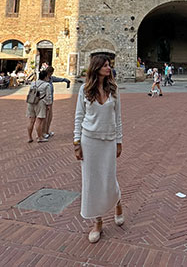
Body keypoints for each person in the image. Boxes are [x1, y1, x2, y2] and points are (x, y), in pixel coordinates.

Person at [73, 54, 123, 243]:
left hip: (109, 140)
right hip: (89, 140)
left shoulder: (114, 89)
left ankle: (118, 202)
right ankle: (98, 222)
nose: (108, 68)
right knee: (92, 182)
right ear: (96, 68)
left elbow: (118, 118)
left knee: (109, 177)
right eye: (105, 65)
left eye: (109, 65)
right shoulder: (84, 90)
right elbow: (78, 117)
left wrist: (119, 141)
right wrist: (76, 143)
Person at [26, 70, 50, 143]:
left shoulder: (33, 83)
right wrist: (48, 105)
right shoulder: (46, 85)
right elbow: (48, 97)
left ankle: (29, 137)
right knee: (39, 121)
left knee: (31, 120)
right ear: (46, 76)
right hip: (40, 102)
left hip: (31, 102)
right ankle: (39, 137)